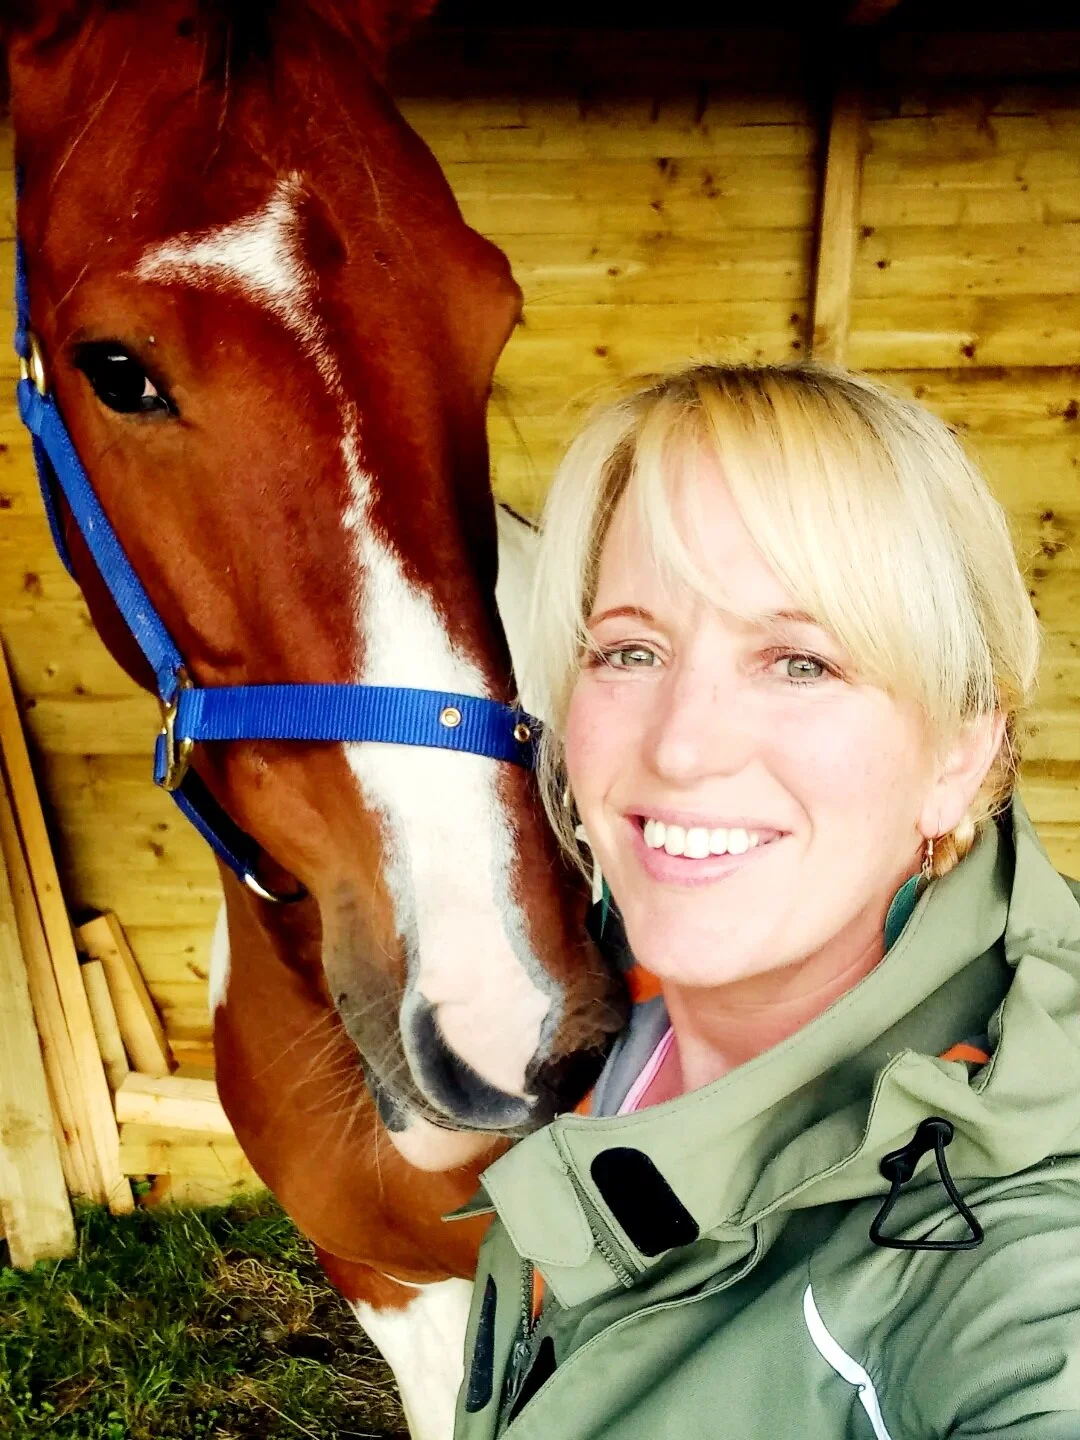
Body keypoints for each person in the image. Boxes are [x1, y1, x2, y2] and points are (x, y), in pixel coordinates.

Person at [451, 362, 1080, 1440]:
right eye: (631, 649)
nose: (681, 747)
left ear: (959, 753)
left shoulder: (1012, 1269)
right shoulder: (603, 965)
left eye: (799, 662)